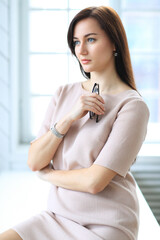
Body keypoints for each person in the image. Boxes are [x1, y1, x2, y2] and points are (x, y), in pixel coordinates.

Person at [0, 6, 149, 240]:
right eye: (76, 42)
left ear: (114, 43)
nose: (82, 50)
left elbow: (94, 182)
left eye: (91, 39)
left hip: (106, 224)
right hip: (57, 216)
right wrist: (69, 117)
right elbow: (35, 160)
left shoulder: (132, 106)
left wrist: (48, 176)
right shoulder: (64, 93)